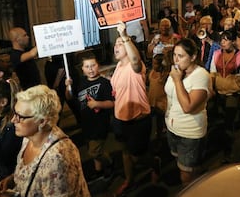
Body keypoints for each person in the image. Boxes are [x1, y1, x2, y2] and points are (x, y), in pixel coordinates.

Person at [0, 85, 90, 196]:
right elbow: (34, 173)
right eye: (15, 113)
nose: (13, 120)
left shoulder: (57, 159)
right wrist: (13, 179)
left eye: (20, 116)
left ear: (42, 121)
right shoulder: (29, 136)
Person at [111, 21, 160, 196]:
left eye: (120, 44)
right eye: (115, 44)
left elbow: (135, 60)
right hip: (120, 118)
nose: (116, 47)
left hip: (138, 119)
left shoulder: (136, 67)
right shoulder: (118, 66)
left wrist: (124, 35)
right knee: (125, 152)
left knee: (137, 155)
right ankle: (129, 180)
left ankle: (154, 163)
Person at [165, 38, 211, 187]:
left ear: (193, 57)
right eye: (174, 55)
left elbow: (188, 107)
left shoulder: (201, 75)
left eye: (181, 56)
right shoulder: (177, 71)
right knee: (181, 164)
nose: (176, 60)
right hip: (172, 128)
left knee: (187, 175)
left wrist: (177, 80)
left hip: (190, 133)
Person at [65, 51, 114, 182]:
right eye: (87, 67)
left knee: (94, 151)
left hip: (100, 123)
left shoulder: (104, 83)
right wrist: (67, 87)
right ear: (82, 69)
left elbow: (112, 103)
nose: (90, 69)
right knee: (91, 148)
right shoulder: (80, 82)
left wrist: (97, 103)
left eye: (93, 65)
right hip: (86, 123)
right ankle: (99, 171)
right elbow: (70, 97)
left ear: (98, 65)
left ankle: (108, 162)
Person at [209, 30, 240, 161]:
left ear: (233, 41)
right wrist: (211, 89)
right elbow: (212, 73)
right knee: (216, 119)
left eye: (226, 40)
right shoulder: (216, 54)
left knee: (229, 121)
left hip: (233, 93)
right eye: (221, 40)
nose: (223, 42)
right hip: (217, 92)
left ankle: (228, 149)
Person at [147, 53, 170, 153]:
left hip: (162, 103)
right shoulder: (152, 72)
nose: (153, 65)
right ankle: (159, 139)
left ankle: (168, 141)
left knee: (165, 121)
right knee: (158, 123)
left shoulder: (165, 75)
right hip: (153, 102)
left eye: (155, 64)